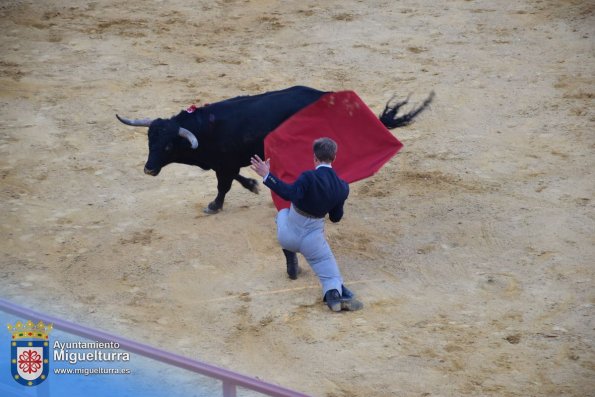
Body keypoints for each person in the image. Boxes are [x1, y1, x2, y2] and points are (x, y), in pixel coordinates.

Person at [250, 137, 363, 312]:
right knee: (331, 276)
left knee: (282, 213)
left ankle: (290, 257)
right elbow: (335, 218)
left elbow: (288, 194)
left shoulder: (308, 177)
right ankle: (334, 294)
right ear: (335, 157)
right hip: (313, 241)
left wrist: (267, 174)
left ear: (315, 158)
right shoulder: (342, 187)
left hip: (287, 235)